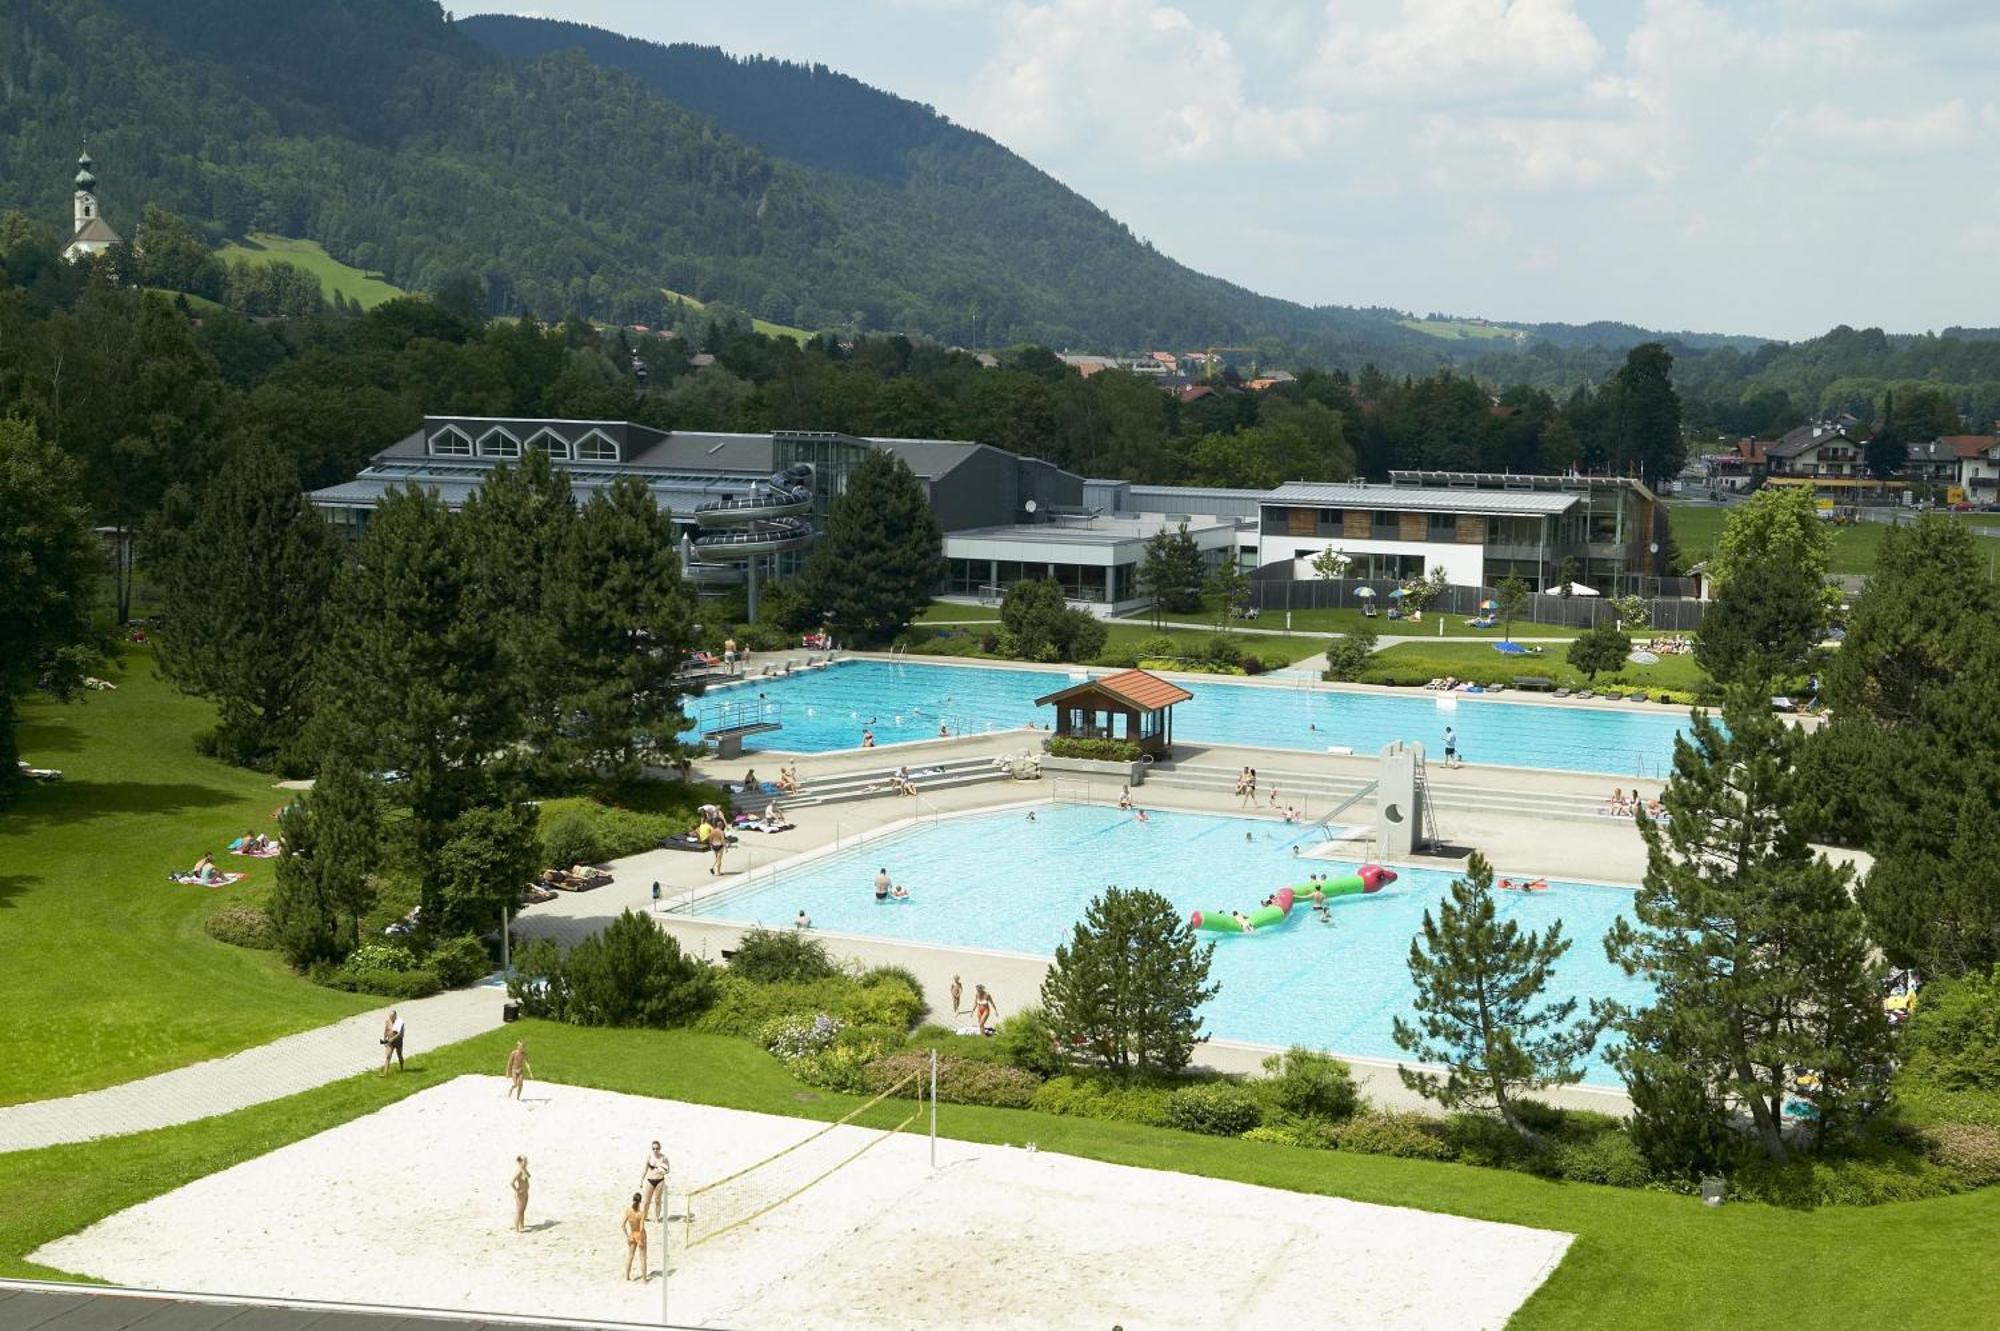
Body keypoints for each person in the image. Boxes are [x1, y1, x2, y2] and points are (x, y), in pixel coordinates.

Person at [640, 1141, 671, 1222]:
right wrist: (641, 1181)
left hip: (660, 1181)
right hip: (649, 1180)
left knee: (657, 1200)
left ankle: (656, 1218)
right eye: (653, 1148)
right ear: (651, 1149)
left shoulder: (664, 1158)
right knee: (646, 1201)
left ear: (660, 1148)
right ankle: (645, 1216)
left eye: (657, 1148)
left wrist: (663, 1171)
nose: (655, 1150)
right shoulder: (649, 1157)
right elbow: (645, 1169)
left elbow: (668, 1170)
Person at [623, 1192, 649, 1281]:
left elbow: (622, 1225)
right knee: (642, 1257)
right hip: (639, 1234)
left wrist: (627, 1236)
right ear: (640, 1201)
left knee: (630, 1256)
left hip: (632, 1233)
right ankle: (644, 1280)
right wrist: (641, 1239)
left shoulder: (628, 1211)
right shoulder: (641, 1213)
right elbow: (641, 1228)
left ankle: (627, 1277)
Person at [511, 1156, 531, 1234]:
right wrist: (517, 1190)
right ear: (520, 1161)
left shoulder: (523, 1169)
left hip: (526, 1192)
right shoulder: (519, 1170)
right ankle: (517, 1230)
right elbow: (511, 1182)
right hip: (521, 1194)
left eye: (526, 1161)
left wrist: (525, 1168)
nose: (526, 1163)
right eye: (525, 1161)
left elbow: (528, 1176)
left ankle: (522, 1225)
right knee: (519, 1211)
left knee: (523, 1211)